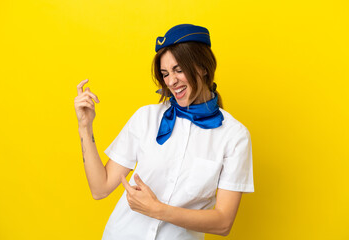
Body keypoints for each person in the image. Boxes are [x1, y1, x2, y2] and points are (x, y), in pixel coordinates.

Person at [74, 24, 254, 240]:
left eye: (179, 70)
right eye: (165, 73)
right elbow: (100, 188)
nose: (171, 81)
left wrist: (157, 210)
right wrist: (85, 126)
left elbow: (223, 222)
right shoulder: (146, 118)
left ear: (203, 67)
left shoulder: (234, 136)